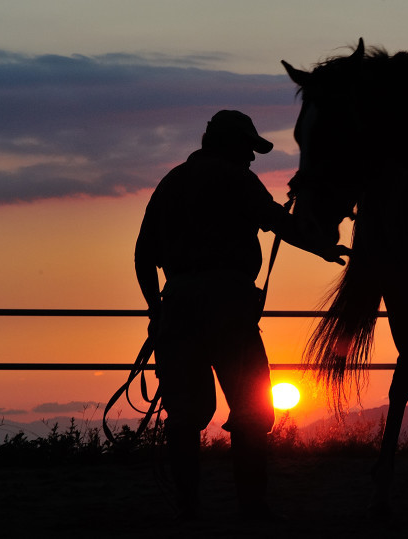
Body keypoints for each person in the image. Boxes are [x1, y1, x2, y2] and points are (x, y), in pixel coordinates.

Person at [134, 110, 348, 520]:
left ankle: (188, 506)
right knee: (252, 411)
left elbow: (143, 256)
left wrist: (156, 311)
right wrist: (323, 246)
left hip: (178, 305)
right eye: (248, 150)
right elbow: (278, 223)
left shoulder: (171, 183)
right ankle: (252, 506)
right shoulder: (237, 180)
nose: (252, 159)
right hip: (230, 306)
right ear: (230, 144)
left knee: (183, 414)